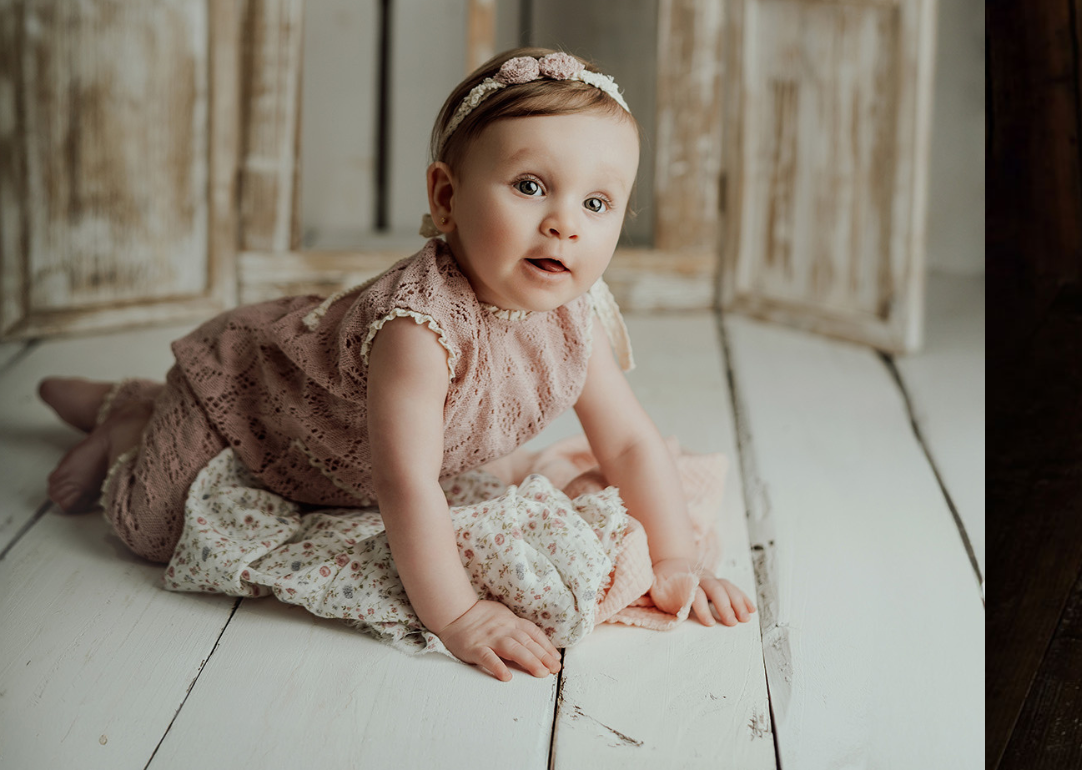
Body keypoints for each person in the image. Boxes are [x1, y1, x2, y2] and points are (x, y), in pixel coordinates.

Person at [37, 46, 754, 681]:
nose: (565, 221)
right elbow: (404, 480)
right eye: (531, 185)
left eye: (597, 202)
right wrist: (460, 614)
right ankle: (132, 420)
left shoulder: (575, 311)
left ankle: (134, 403)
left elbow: (627, 441)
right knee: (150, 525)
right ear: (446, 196)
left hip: (331, 453)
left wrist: (676, 558)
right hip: (252, 402)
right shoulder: (419, 327)